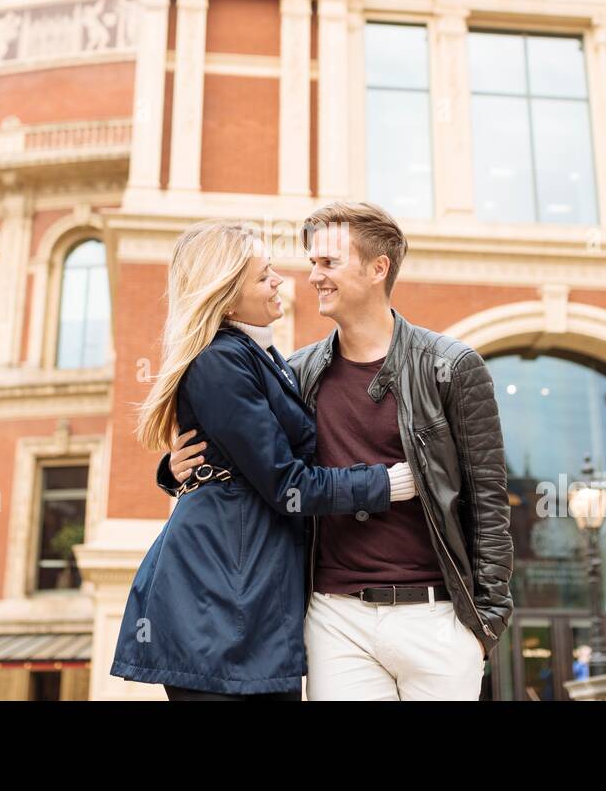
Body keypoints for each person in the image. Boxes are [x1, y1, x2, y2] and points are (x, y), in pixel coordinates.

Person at [162, 201, 514, 700]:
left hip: (436, 618)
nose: (311, 277)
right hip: (334, 618)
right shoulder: (295, 372)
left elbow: (489, 503)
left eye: (328, 263)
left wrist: (487, 626)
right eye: (311, 264)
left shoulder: (452, 367)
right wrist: (175, 468)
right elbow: (263, 464)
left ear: (377, 268)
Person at [109, 220, 418, 700]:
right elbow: (285, 483)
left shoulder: (258, 355)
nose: (280, 281)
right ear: (227, 296)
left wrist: (180, 470)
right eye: (262, 276)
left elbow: (242, 454)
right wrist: (391, 483)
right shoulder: (219, 361)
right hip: (217, 599)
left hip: (246, 591)